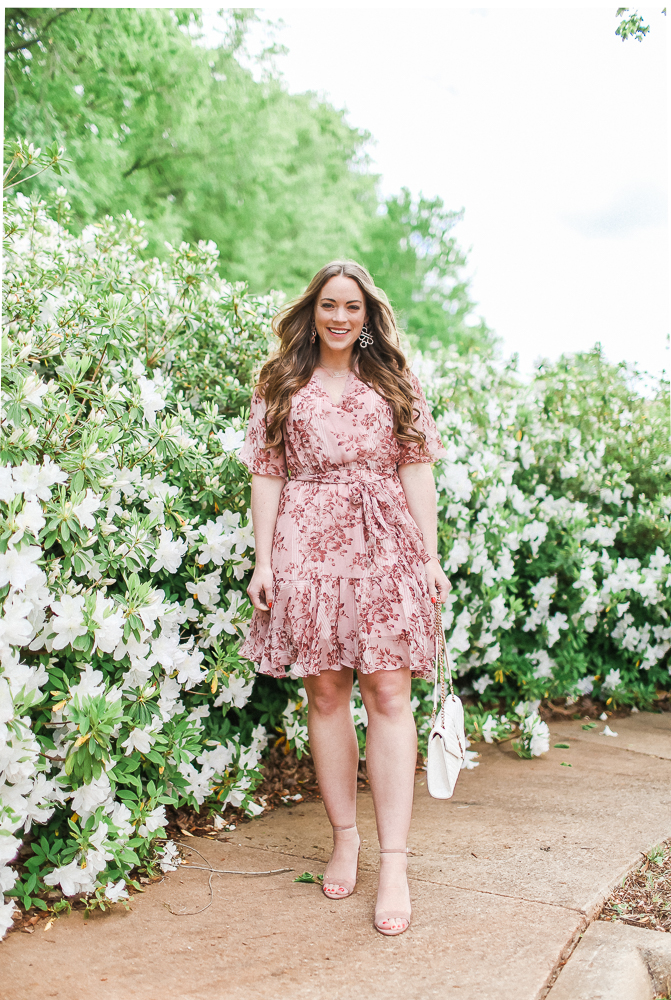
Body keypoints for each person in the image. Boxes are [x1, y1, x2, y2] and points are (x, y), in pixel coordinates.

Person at [239, 260, 451, 937]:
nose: (339, 317)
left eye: (351, 308)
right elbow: (267, 474)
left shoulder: (392, 379)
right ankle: (344, 837)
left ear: (366, 318)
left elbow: (415, 469)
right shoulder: (281, 381)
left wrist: (429, 557)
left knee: (388, 693)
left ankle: (394, 861)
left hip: (384, 540)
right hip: (306, 542)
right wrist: (263, 558)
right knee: (325, 693)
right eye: (328, 305)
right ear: (312, 311)